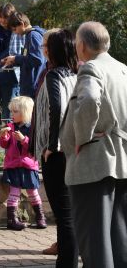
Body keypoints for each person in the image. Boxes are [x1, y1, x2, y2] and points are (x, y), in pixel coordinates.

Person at [60, 21, 127, 268]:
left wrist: (83, 136)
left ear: (82, 45)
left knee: (95, 243)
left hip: (93, 165)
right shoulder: (123, 69)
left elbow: (89, 99)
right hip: (122, 162)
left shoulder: (91, 69)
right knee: (119, 239)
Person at [31, 29, 78, 265]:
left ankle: (66, 262)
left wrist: (50, 146)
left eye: (46, 45)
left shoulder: (53, 76)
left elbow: (55, 110)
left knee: (64, 215)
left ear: (54, 49)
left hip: (56, 153)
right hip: (71, 149)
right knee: (68, 214)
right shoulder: (76, 73)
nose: (43, 49)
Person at [0, 96, 46, 230]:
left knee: (33, 192)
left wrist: (23, 139)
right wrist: (4, 137)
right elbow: (4, 144)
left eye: (15, 111)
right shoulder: (10, 126)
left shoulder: (32, 128)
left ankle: (40, 217)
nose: (11, 114)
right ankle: (11, 219)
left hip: (28, 165)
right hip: (13, 165)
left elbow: (33, 147)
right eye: (11, 111)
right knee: (14, 192)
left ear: (25, 112)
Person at [3, 12, 46, 98]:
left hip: (33, 88)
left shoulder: (33, 36)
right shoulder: (29, 36)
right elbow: (27, 58)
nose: (15, 33)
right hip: (30, 87)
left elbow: (37, 59)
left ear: (22, 24)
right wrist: (14, 61)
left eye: (15, 29)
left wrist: (16, 58)